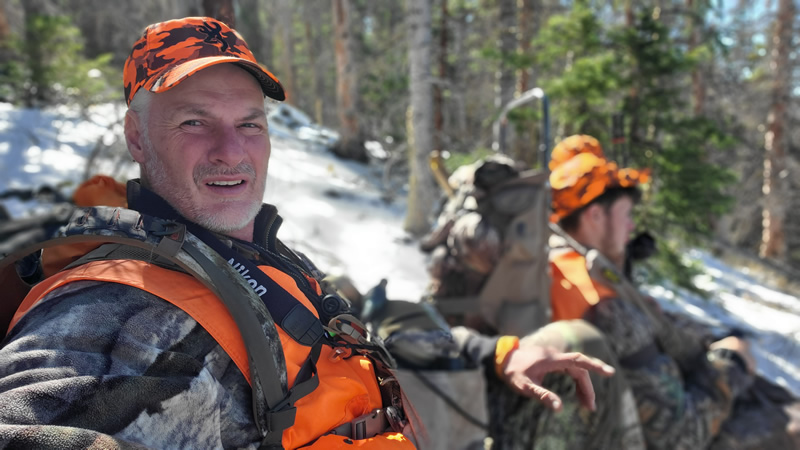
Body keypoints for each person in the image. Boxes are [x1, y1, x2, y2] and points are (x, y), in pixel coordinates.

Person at [0, 17, 614, 449]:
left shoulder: (244, 256)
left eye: (250, 123)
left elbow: (349, 349)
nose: (230, 152)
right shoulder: (122, 304)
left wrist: (503, 352)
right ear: (137, 138)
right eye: (194, 122)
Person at [547, 134, 800, 449]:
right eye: (627, 215)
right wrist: (730, 362)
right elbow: (678, 437)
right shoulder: (605, 306)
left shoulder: (566, 271)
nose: (631, 226)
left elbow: (657, 325)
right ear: (595, 215)